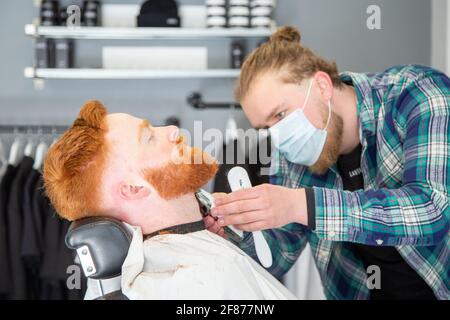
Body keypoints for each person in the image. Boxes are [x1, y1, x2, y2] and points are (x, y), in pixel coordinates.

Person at [205, 26, 450, 300]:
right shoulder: (294, 155)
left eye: (280, 114)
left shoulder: (420, 95)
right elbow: (277, 257)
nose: (277, 135)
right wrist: (238, 231)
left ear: (321, 86)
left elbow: (433, 210)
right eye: (266, 127)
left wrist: (303, 205)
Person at [42, 100, 296, 300]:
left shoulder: (194, 261)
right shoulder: (195, 281)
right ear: (132, 188)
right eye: (149, 137)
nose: (173, 131)